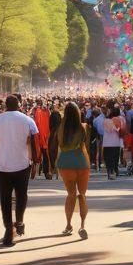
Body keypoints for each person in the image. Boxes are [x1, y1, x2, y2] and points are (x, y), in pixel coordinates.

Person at [0, 94, 38, 247]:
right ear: (19, 105)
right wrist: (36, 162)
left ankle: (8, 230)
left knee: (5, 199)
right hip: (22, 163)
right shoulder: (27, 120)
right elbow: (34, 140)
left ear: (5, 106)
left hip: (3, 164)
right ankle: (20, 221)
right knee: (21, 194)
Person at [55, 101, 90, 239]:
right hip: (81, 163)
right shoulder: (84, 127)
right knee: (82, 195)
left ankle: (68, 224)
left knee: (70, 195)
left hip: (65, 163)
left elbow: (58, 144)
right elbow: (85, 146)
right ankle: (82, 225)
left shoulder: (60, 129)